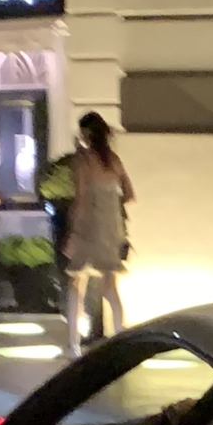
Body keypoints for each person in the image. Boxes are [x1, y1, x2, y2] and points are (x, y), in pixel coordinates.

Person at [62, 111, 133, 347]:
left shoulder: (84, 162)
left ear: (87, 133)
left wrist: (73, 232)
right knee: (110, 287)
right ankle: (121, 337)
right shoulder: (113, 160)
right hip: (112, 227)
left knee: (76, 284)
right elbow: (130, 194)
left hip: (90, 227)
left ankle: (73, 343)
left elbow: (80, 199)